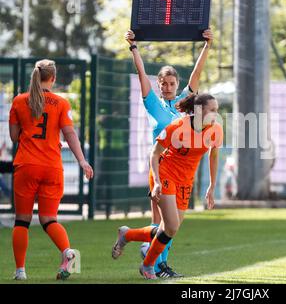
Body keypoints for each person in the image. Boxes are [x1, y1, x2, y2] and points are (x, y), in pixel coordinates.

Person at [111, 29, 213, 278]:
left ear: (177, 84)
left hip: (182, 171)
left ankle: (129, 235)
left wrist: (207, 46)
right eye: (163, 84)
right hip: (161, 166)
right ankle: (157, 266)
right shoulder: (152, 103)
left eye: (171, 84)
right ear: (158, 85)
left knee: (170, 225)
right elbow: (141, 74)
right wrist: (134, 47)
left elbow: (196, 75)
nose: (167, 87)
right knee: (164, 224)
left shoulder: (183, 105)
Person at [114, 93, 222, 280]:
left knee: (170, 228)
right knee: (171, 226)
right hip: (164, 173)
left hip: (185, 180)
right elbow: (154, 154)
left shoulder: (216, 129)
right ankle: (148, 266)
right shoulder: (178, 126)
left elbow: (213, 156)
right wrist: (156, 181)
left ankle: (127, 234)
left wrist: (212, 185)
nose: (216, 114)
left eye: (217, 110)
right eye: (212, 110)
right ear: (199, 110)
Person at [9, 59, 94, 281]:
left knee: (22, 221)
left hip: (26, 165)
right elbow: (70, 134)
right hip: (52, 167)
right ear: (53, 78)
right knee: (49, 219)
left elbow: (14, 137)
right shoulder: (61, 103)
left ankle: (20, 272)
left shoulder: (19, 101)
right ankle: (67, 253)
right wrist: (83, 162)